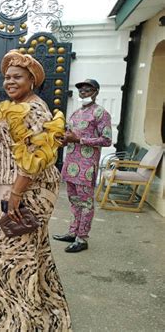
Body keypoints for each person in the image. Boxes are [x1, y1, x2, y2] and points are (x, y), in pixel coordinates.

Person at [0, 50, 72, 330]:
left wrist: (17, 193)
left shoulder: (33, 109)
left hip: (28, 187)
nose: (10, 81)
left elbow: (36, 157)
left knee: (16, 257)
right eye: (7, 77)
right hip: (12, 184)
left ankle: (16, 323)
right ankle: (41, 315)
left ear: (31, 80)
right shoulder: (13, 105)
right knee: (32, 251)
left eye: (17, 77)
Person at [53, 79, 112, 253]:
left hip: (86, 166)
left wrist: (79, 140)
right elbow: (70, 136)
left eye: (88, 89)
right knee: (73, 201)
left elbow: (106, 140)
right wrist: (64, 141)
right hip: (70, 164)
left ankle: (82, 238)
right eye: (81, 90)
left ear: (96, 92)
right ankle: (73, 232)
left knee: (86, 203)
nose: (83, 92)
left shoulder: (101, 113)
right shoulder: (76, 113)